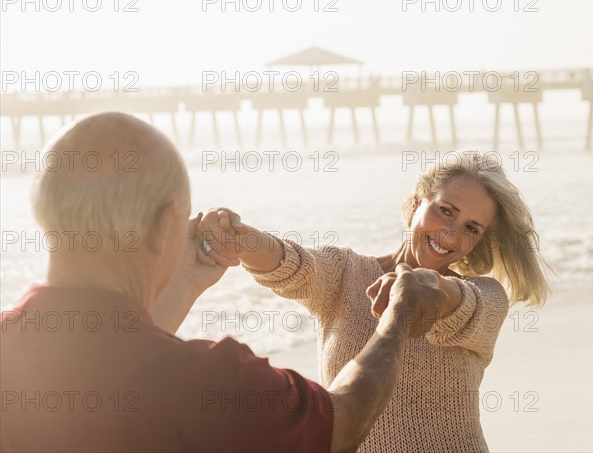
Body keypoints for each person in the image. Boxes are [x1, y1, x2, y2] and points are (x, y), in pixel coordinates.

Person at [0, 112, 448, 453]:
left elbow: (108, 361)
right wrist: (398, 315)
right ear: (163, 229)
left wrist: (185, 284)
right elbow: (345, 421)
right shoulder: (213, 383)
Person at [197, 152, 550, 452]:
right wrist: (239, 237)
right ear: (416, 203)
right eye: (445, 211)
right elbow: (292, 263)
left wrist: (423, 285)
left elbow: (456, 302)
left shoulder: (486, 298)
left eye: (472, 228)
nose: (451, 234)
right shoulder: (345, 275)